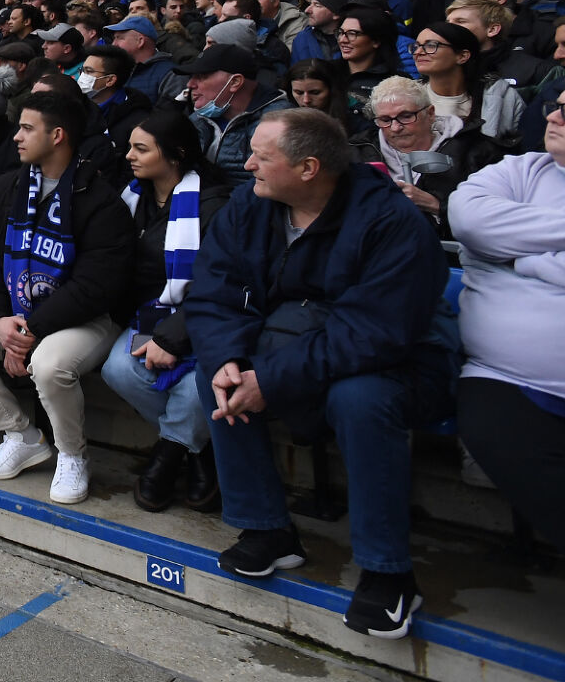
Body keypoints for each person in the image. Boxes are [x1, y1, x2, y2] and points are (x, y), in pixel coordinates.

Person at [184, 109, 453, 639]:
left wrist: (272, 379)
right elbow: (213, 291)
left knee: (360, 400)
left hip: (398, 361)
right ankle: (266, 529)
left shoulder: (391, 222)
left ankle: (388, 570)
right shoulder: (250, 204)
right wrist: (229, 362)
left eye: (263, 155)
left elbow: (375, 332)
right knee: (218, 377)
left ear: (308, 168)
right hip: (298, 345)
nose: (248, 162)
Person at [0, 89, 143, 503]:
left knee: (48, 365)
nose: (16, 136)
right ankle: (21, 434)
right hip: (15, 311)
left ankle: (72, 454)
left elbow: (96, 286)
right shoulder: (8, 186)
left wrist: (29, 331)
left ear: (59, 135)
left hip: (83, 319)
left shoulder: (100, 200)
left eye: (28, 128)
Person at [98, 109, 235, 512]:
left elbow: (219, 283)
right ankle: (197, 451)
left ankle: (168, 455)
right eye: (129, 147)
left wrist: (176, 334)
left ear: (174, 155)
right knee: (118, 369)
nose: (129, 156)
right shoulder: (130, 197)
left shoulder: (215, 205)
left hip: (204, 318)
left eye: (141, 149)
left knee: (196, 390)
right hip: (146, 315)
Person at [449, 91, 565, 551]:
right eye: (557, 104)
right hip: (507, 381)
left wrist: (522, 260)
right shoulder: (521, 169)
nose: (552, 115)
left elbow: (492, 239)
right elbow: (469, 221)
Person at [352, 76, 503, 240]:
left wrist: (437, 206)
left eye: (406, 116)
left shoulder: (476, 151)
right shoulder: (355, 152)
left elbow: (496, 220)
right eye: (385, 120)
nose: (395, 128)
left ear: (430, 113)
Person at [183, 45, 292, 190]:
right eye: (192, 77)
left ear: (235, 82)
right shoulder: (200, 116)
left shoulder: (279, 122)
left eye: (202, 76)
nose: (190, 84)